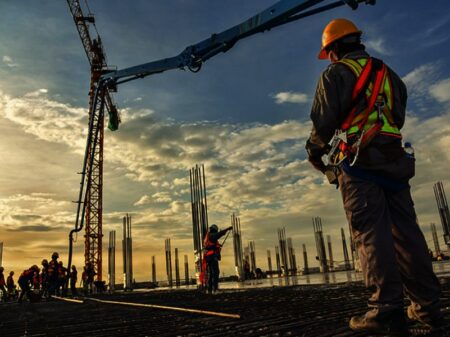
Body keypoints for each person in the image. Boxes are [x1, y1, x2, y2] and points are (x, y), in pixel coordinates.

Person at [305, 18, 443, 335]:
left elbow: (323, 125)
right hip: (394, 161)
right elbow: (396, 117)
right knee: (407, 236)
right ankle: (429, 309)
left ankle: (385, 311)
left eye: (329, 53)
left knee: (370, 235)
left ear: (335, 48)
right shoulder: (391, 76)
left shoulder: (336, 74)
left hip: (360, 163)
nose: (329, 59)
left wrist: (313, 151)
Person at [202, 224, 232, 294]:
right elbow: (219, 234)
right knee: (215, 273)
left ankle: (209, 290)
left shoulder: (207, 237)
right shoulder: (212, 236)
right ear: (214, 230)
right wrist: (227, 229)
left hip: (208, 258)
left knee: (211, 274)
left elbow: (212, 245)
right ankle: (215, 289)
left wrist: (217, 246)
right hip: (212, 257)